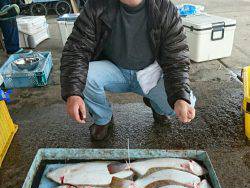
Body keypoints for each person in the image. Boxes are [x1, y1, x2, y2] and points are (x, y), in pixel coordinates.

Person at [60, 0, 196, 141]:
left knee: (185, 103)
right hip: (113, 69)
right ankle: (103, 119)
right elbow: (77, 49)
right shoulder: (96, 5)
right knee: (85, 77)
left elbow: (176, 57)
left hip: (149, 73)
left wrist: (180, 97)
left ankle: (157, 106)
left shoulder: (165, 9)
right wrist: (73, 93)